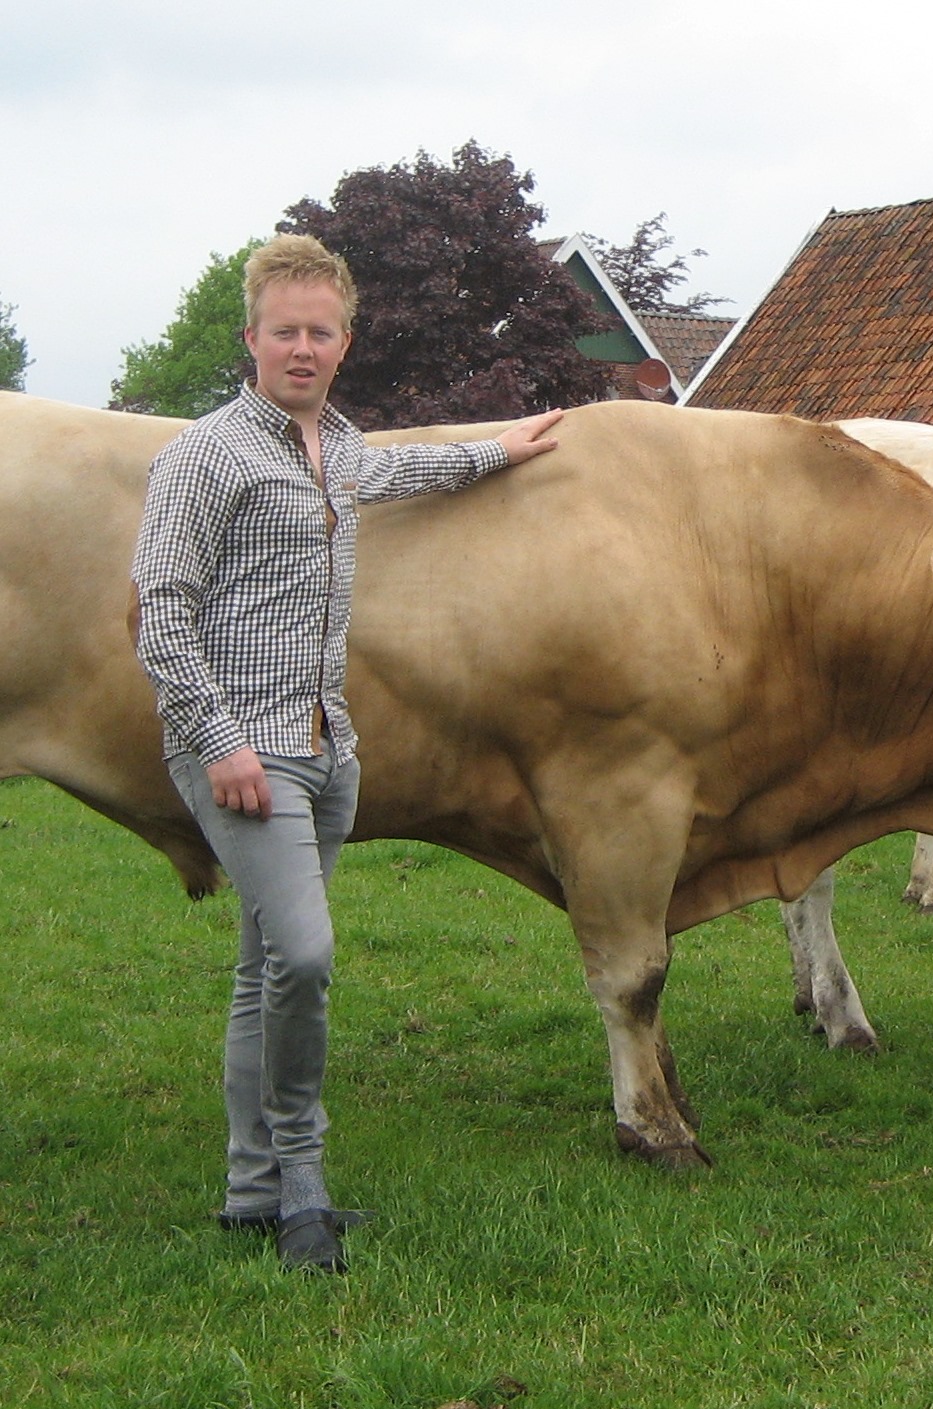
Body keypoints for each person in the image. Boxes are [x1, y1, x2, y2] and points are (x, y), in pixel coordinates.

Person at [130, 233, 564, 1272]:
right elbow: (159, 614)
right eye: (285, 331)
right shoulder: (206, 453)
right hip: (243, 752)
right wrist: (222, 741)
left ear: (343, 341)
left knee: (267, 966)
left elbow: (414, 466)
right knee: (308, 958)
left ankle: (249, 1189)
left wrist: (506, 447)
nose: (302, 347)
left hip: (329, 748)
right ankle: (305, 1190)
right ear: (252, 338)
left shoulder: (343, 446)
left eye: (320, 332)